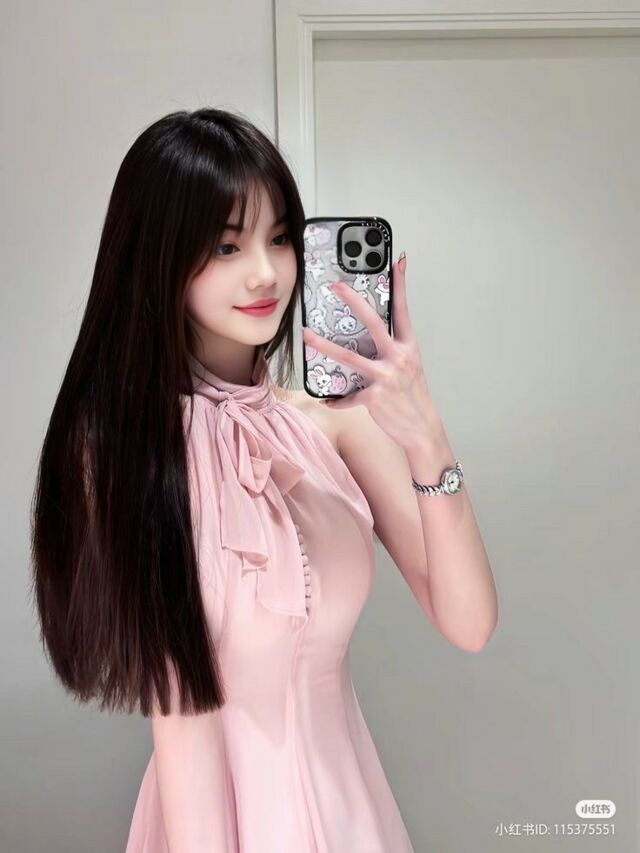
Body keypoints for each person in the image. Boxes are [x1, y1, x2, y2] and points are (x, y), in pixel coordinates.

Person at [30, 107, 497, 852]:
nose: (266, 272)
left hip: (352, 812)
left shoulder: (334, 423)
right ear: (159, 256)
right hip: (212, 821)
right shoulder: (122, 451)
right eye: (226, 245)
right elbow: (180, 716)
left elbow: (469, 624)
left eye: (280, 238)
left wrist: (425, 437)